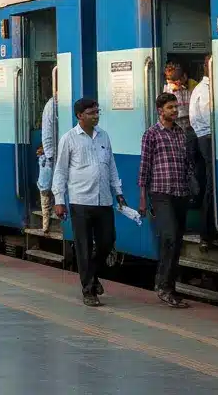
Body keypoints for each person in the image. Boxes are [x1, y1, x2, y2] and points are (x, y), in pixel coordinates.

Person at [52, 97, 125, 306]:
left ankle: (92, 275)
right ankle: (88, 290)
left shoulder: (104, 137)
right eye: (92, 113)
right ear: (79, 116)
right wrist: (59, 200)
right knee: (83, 246)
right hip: (80, 201)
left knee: (107, 241)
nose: (96, 116)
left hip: (104, 200)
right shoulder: (69, 139)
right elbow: (61, 171)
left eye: (97, 112)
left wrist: (118, 192)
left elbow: (111, 166)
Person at [139, 91, 193, 307]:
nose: (175, 110)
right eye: (171, 107)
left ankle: (169, 285)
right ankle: (164, 286)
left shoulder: (181, 133)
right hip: (160, 192)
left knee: (177, 240)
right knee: (169, 236)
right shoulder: (151, 134)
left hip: (180, 192)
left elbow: (187, 162)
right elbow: (144, 166)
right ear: (160, 111)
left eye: (176, 107)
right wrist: (143, 198)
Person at [188, 57, 218, 252]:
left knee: (209, 184)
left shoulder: (201, 88)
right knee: (211, 185)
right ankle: (207, 233)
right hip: (208, 138)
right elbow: (210, 119)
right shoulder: (206, 91)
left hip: (203, 138)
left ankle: (207, 232)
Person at [37, 93, 58, 233]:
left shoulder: (53, 105)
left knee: (47, 188)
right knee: (46, 188)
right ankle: (46, 223)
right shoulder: (52, 106)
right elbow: (47, 133)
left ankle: (47, 221)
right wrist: (49, 154)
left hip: (52, 153)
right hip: (51, 155)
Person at [163, 62, 193, 131]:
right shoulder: (165, 93)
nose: (178, 82)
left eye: (180, 78)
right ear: (168, 80)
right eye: (174, 80)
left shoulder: (187, 92)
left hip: (187, 130)